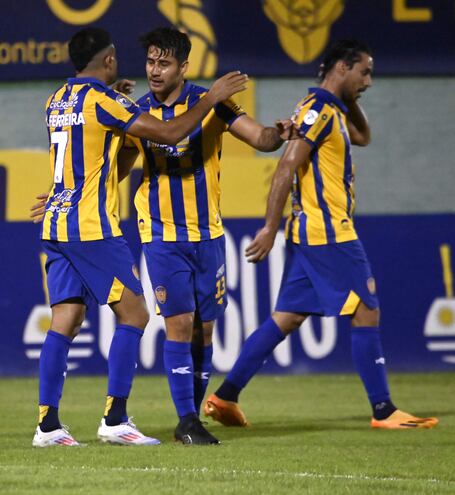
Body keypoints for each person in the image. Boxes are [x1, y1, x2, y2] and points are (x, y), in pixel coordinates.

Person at [203, 39, 439, 430]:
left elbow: (363, 137)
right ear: (341, 68)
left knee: (286, 318)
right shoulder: (317, 110)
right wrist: (269, 227)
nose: (369, 80)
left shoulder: (329, 110)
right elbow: (286, 167)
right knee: (366, 307)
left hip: (312, 233)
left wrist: (349, 97)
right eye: (364, 72)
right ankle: (383, 410)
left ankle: (225, 397)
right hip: (329, 233)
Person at [32, 26, 247, 447]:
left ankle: (48, 425)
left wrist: (117, 97)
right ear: (108, 60)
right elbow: (170, 133)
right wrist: (210, 97)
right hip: (92, 227)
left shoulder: (55, 101)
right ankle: (115, 419)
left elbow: (91, 151)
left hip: (57, 222)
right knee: (135, 316)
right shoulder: (108, 101)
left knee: (66, 319)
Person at [113, 27, 296, 445]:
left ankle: (191, 417)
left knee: (204, 330)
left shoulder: (211, 104)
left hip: (209, 235)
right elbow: (119, 166)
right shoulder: (139, 113)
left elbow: (260, 137)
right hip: (161, 235)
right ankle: (186, 420)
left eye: (164, 63)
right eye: (150, 62)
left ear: (183, 66)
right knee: (178, 324)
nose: (155, 71)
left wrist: (278, 133)